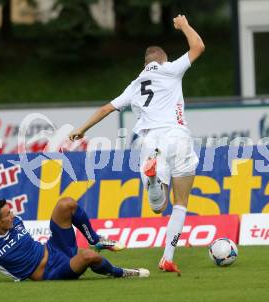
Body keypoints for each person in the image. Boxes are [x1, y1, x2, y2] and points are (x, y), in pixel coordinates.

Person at [69, 14, 205, 274]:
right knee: (180, 202)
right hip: (179, 137)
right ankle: (167, 257)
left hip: (150, 140)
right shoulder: (171, 69)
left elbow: (107, 108)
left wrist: (82, 129)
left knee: (158, 207)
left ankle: (154, 181)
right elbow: (198, 47)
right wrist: (185, 25)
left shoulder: (134, 85)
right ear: (162, 60)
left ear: (145, 64)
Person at [0, 198, 149, 285]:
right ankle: (122, 272)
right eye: (8, 215)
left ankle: (94, 238)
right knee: (89, 256)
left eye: (11, 212)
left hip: (55, 248)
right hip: (51, 272)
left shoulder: (15, 222)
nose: (13, 216)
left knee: (66, 204)